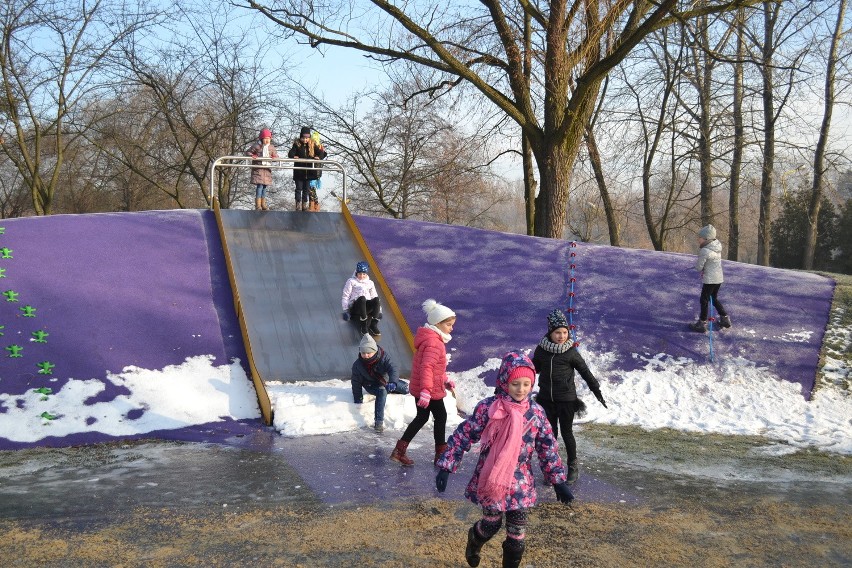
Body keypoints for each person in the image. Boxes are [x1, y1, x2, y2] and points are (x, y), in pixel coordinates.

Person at [435, 351, 573, 568]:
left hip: (520, 482)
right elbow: (464, 434)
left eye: (527, 384)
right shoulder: (489, 409)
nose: (521, 389)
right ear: (504, 382)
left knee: (517, 536)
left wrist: (558, 481)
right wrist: (447, 465)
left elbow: (547, 447)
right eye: (515, 383)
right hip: (492, 478)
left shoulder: (535, 413)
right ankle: (475, 538)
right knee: (490, 525)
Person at [531, 309, 607, 484]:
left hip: (566, 400)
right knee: (550, 436)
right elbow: (532, 370)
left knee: (566, 433)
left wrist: (597, 392)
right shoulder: (542, 350)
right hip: (546, 400)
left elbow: (586, 373)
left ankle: (573, 467)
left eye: (565, 332)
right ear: (550, 333)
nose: (562, 336)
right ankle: (552, 469)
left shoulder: (571, 352)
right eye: (558, 332)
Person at [390, 299, 456, 467]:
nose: (451, 328)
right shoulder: (434, 342)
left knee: (422, 417)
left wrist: (445, 379)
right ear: (438, 323)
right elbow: (427, 366)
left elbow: (433, 367)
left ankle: (399, 451)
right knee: (440, 417)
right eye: (448, 324)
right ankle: (440, 455)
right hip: (429, 390)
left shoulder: (430, 339)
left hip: (425, 387)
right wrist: (426, 390)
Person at [351, 333, 410, 433]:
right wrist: (358, 398)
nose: (365, 355)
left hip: (385, 380)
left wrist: (393, 382)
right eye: (363, 353)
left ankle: (391, 388)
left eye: (368, 352)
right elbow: (356, 382)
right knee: (382, 391)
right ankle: (378, 422)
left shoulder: (383, 357)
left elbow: (393, 368)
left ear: (374, 351)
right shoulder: (357, 365)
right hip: (371, 384)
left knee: (406, 389)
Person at [689, 224, 732, 332]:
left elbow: (699, 267)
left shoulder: (704, 251)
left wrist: (698, 267)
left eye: (700, 237)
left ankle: (702, 323)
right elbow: (711, 263)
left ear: (706, 239)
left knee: (704, 300)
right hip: (718, 278)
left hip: (710, 280)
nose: (698, 239)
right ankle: (725, 319)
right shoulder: (716, 246)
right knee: (713, 298)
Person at [287, 126, 327, 211]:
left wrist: (318, 157)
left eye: (307, 138)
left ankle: (304, 204)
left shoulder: (312, 144)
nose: (305, 140)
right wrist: (293, 156)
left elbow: (322, 153)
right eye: (303, 138)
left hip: (309, 173)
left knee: (306, 189)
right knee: (299, 188)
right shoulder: (297, 144)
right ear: (301, 137)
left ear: (309, 138)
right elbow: (290, 153)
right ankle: (298, 204)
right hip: (299, 172)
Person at [341, 261, 382, 335]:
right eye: (360, 274)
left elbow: (374, 295)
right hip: (356, 308)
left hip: (366, 308)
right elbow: (345, 296)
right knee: (362, 298)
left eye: (364, 274)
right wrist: (346, 310)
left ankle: (373, 324)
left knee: (376, 299)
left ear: (366, 274)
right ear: (356, 272)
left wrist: (380, 311)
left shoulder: (370, 283)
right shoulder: (351, 281)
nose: (361, 276)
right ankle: (364, 325)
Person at [246, 128, 278, 211]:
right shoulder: (257, 146)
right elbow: (248, 152)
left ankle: (263, 203)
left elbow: (276, 155)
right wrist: (252, 155)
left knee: (264, 187)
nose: (267, 140)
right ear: (261, 139)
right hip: (259, 170)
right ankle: (258, 204)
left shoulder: (271, 147)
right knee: (259, 186)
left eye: (268, 138)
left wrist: (274, 157)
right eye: (265, 139)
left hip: (267, 171)